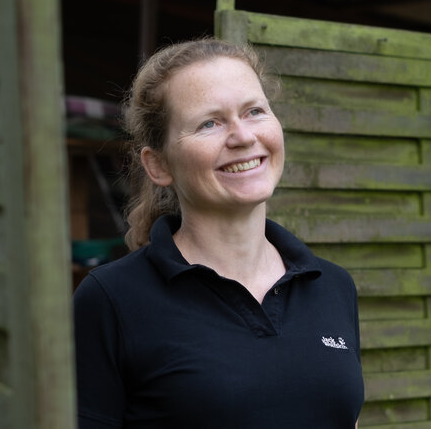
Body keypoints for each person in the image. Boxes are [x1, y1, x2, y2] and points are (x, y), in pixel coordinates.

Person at [73, 38, 364, 429]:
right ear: (158, 165)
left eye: (254, 111)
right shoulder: (111, 301)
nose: (243, 136)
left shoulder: (332, 286)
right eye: (209, 122)